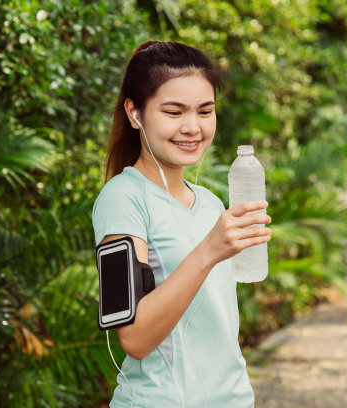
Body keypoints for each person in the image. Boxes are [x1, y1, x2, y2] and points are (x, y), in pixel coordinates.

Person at [92, 40, 272, 407]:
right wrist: (209, 251)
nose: (192, 127)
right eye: (174, 112)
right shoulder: (122, 198)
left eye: (205, 111)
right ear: (135, 113)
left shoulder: (210, 203)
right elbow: (135, 339)